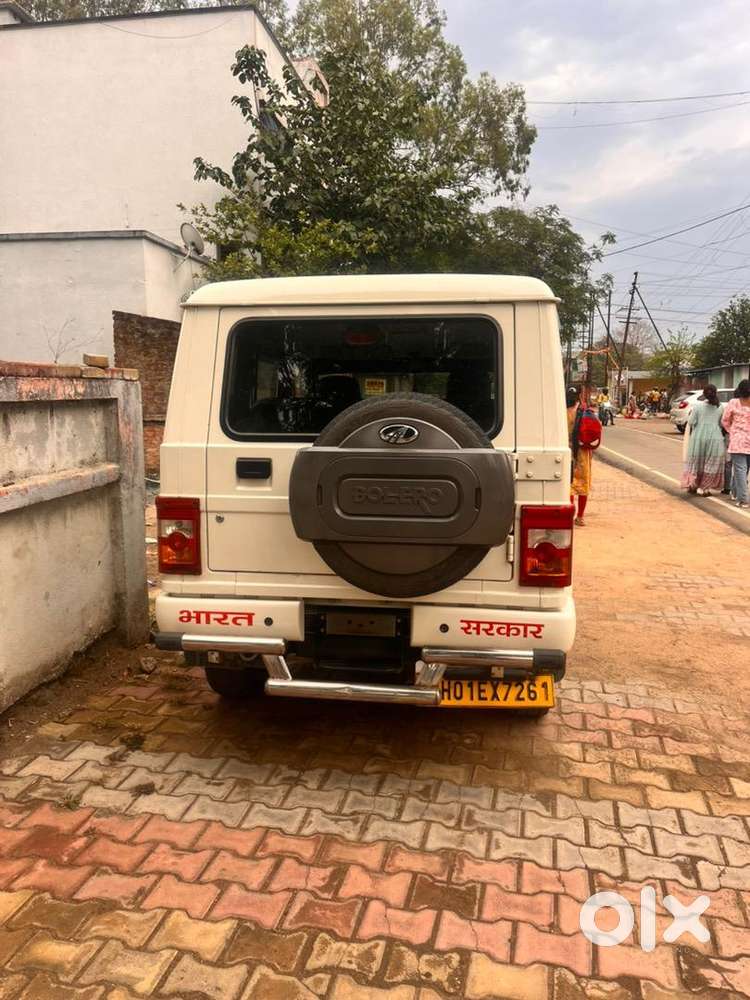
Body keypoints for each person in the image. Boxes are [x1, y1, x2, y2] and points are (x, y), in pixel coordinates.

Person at [681, 384, 726, 496]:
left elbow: (691, 422)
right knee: (711, 463)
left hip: (699, 437)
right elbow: (721, 424)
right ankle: (705, 488)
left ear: (704, 394)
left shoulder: (698, 407)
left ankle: (693, 485)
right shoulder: (720, 407)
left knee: (697, 463)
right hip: (715, 438)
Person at [721, 378, 750, 508]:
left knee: (740, 470)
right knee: (744, 470)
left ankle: (741, 497)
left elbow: (725, 420)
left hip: (737, 440)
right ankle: (738, 494)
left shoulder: (733, 402)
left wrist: (732, 431)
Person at [566, 385, 592, 525]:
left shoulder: (561, 411)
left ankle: (569, 515)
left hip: (568, 450)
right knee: (583, 484)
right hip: (583, 451)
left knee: (568, 484)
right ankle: (580, 517)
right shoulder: (584, 410)